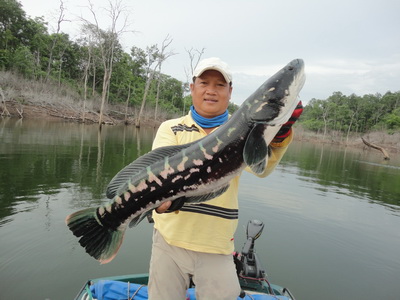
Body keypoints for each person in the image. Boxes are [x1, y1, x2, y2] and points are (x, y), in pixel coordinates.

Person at [148, 57, 302, 300]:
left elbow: (260, 167)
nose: (211, 90)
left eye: (220, 85)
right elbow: (159, 174)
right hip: (169, 241)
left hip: (216, 246)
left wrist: (280, 133)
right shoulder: (171, 128)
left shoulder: (245, 130)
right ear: (192, 87)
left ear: (230, 91)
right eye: (204, 83)